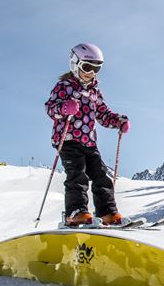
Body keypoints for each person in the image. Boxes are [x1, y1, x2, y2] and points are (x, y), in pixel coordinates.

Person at [45, 43, 130, 226]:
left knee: (101, 176)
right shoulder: (64, 86)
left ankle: (107, 212)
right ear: (75, 64)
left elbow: (103, 114)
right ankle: (76, 212)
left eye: (96, 68)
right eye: (87, 67)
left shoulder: (94, 91)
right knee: (77, 175)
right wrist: (64, 108)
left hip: (89, 142)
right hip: (67, 140)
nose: (91, 72)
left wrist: (118, 121)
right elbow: (50, 108)